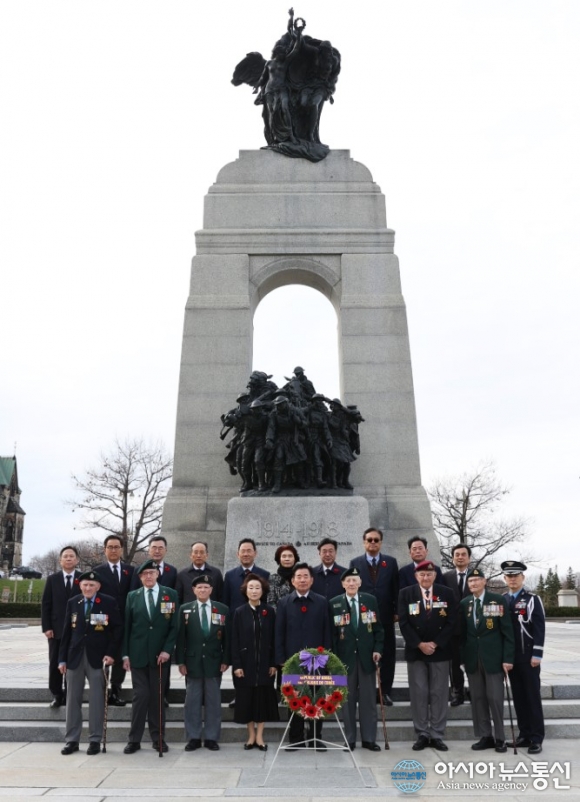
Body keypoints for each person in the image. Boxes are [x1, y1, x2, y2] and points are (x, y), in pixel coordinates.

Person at [58, 570, 122, 755]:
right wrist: (62, 659)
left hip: (98, 659)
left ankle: (95, 739)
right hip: (74, 658)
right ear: (80, 586)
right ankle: (72, 740)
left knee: (97, 700)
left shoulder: (108, 602)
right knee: (72, 700)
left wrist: (111, 654)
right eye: (85, 585)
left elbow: (117, 629)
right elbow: (66, 632)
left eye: (91, 585)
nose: (88, 588)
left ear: (98, 587)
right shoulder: (73, 602)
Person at [122, 559, 179, 754]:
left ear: (157, 574)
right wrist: (125, 655)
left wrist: (167, 650)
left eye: (151, 573)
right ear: (140, 577)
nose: (148, 576)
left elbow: (174, 626)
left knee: (157, 697)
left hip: (160, 656)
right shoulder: (133, 596)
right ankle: (134, 740)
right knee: (141, 696)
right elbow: (127, 627)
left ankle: (158, 739)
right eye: (144, 574)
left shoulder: (170, 595)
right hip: (137, 655)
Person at [398, 560, 456, 751]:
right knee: (419, 693)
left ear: (435, 576)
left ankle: (437, 734)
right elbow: (404, 623)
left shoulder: (447, 593)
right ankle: (422, 733)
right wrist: (419, 644)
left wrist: (436, 643)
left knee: (439, 692)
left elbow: (451, 621)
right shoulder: (406, 593)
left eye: (429, 574)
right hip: (416, 651)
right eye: (422, 574)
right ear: (416, 576)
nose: (425, 577)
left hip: (440, 651)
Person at [274, 562, 331, 750]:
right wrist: (281, 659)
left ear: (312, 580)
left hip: (317, 662)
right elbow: (279, 632)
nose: (302, 580)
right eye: (298, 577)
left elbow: (327, 632)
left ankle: (315, 737)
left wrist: (326, 657)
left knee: (317, 699)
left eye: (306, 576)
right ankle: (296, 738)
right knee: (295, 700)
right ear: (292, 581)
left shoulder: (322, 602)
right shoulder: (284, 603)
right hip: (292, 662)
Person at [460, 567, 514, 753]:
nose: (473, 583)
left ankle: (500, 737)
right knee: (478, 698)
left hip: (494, 659)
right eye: (470, 581)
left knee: (495, 698)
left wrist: (508, 658)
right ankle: (485, 736)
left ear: (484, 581)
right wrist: (462, 659)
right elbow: (462, 634)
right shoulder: (465, 603)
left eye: (477, 580)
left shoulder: (497, 600)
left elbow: (507, 632)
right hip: (473, 659)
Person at [330, 567, 384, 751]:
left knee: (368, 700)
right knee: (347, 702)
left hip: (367, 658)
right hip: (345, 660)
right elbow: (333, 635)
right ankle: (350, 739)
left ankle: (369, 739)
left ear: (360, 583)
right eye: (348, 581)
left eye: (355, 580)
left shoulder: (370, 601)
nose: (351, 583)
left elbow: (378, 629)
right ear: (343, 584)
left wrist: (378, 649)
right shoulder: (334, 603)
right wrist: (334, 660)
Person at [176, 574, 230, 751]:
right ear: (194, 590)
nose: (203, 590)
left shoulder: (222, 609)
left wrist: (226, 659)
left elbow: (227, 638)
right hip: (192, 662)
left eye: (206, 587)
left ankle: (211, 738)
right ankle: (193, 737)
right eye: (199, 587)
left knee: (213, 701)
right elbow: (181, 638)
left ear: (211, 590)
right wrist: (181, 662)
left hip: (214, 661)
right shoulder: (185, 609)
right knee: (192, 701)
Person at [349, 527, 399, 705]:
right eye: (369, 540)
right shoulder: (355, 563)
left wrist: (396, 611)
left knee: (387, 653)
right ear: (364, 542)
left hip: (385, 616)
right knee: (364, 652)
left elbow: (396, 588)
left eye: (376, 540)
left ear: (381, 542)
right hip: (363, 617)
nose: (372, 543)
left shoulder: (390, 562)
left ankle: (385, 692)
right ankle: (363, 691)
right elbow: (352, 588)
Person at [501, 559, 545, 754]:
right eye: (509, 576)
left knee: (532, 697)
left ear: (522, 577)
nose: (512, 579)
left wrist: (537, 654)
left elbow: (539, 628)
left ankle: (536, 738)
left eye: (516, 576)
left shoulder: (532, 599)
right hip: (511, 657)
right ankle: (524, 735)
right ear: (505, 578)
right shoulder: (503, 600)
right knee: (518, 697)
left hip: (528, 657)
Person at [231, 573, 279, 750]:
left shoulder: (269, 612)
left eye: (257, 588)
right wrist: (237, 664)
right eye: (251, 588)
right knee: (247, 701)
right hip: (245, 665)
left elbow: (274, 639)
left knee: (262, 701)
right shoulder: (239, 612)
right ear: (245, 591)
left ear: (263, 590)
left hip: (265, 665)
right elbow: (234, 641)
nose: (254, 591)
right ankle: (251, 735)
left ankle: (260, 737)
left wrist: (273, 663)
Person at [93, 535, 135, 706]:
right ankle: (102, 692)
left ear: (121, 549)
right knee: (102, 654)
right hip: (102, 618)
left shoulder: (130, 571)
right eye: (110, 547)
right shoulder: (97, 571)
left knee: (119, 655)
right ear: (105, 550)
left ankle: (116, 690)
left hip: (123, 619)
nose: (113, 550)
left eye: (116, 547)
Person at [41, 545, 81, 708]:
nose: (68, 559)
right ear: (60, 560)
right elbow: (46, 604)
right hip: (56, 629)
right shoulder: (52, 579)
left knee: (73, 663)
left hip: (77, 629)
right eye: (65, 556)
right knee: (55, 662)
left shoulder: (83, 579)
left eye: (72, 556)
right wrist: (46, 627)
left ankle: (70, 693)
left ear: (77, 560)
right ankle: (57, 694)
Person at [442, 543, 472, 706]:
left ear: (469, 558)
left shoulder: (476, 576)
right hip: (452, 629)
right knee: (454, 664)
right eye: (457, 555)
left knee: (472, 661)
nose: (460, 557)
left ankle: (474, 690)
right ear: (453, 558)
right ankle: (457, 692)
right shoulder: (446, 577)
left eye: (463, 554)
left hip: (472, 629)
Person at [223, 538, 270, 614]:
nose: (246, 554)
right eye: (243, 551)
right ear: (238, 554)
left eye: (249, 551)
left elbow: (266, 601)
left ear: (255, 553)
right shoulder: (229, 575)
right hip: (235, 618)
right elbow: (225, 601)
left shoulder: (264, 575)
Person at [267, 543, 300, 608]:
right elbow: (270, 602)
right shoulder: (272, 579)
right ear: (279, 559)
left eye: (290, 556)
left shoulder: (301, 577)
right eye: (284, 556)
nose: (287, 559)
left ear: (295, 559)